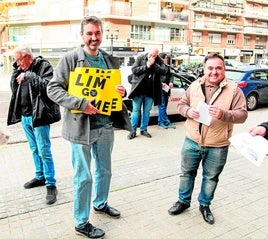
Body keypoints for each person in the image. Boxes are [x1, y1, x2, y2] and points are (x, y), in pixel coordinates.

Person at [47, 16, 132, 239]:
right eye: (89, 34)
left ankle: (100, 203)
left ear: (102, 34)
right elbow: (53, 89)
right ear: (82, 36)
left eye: (97, 33)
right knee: (83, 177)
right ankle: (81, 222)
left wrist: (121, 91)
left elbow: (114, 88)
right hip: (80, 129)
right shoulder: (70, 59)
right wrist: (81, 104)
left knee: (105, 171)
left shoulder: (108, 60)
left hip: (105, 127)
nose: (94, 38)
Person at [168, 53, 248, 224]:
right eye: (210, 68)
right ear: (204, 69)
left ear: (224, 69)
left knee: (211, 177)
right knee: (186, 174)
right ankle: (183, 201)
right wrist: (188, 111)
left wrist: (224, 114)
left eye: (218, 68)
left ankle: (204, 205)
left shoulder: (234, 90)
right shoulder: (195, 85)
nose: (214, 72)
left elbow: (242, 115)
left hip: (218, 145)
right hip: (192, 141)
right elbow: (181, 104)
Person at [7, 45, 59, 205]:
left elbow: (48, 87)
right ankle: (40, 176)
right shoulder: (21, 69)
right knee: (34, 149)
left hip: (40, 116)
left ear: (28, 57)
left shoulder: (44, 66)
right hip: (25, 116)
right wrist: (17, 71)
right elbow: (14, 89)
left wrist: (28, 74)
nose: (17, 64)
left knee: (44, 150)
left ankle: (51, 184)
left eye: (18, 60)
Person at [127, 48, 167, 139]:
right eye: (150, 55)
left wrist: (154, 64)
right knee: (136, 111)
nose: (152, 57)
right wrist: (147, 66)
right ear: (148, 52)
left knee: (146, 112)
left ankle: (143, 130)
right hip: (138, 90)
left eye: (154, 56)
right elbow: (134, 70)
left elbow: (163, 71)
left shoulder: (159, 61)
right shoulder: (140, 58)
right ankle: (132, 131)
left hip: (151, 91)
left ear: (157, 55)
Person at [157, 53, 176, 129]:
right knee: (162, 107)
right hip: (159, 89)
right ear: (161, 59)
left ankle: (163, 122)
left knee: (164, 107)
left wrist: (171, 82)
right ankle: (163, 122)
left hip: (166, 89)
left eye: (167, 58)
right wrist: (160, 83)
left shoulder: (167, 66)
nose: (167, 59)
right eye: (165, 58)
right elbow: (155, 78)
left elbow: (171, 75)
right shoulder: (157, 66)